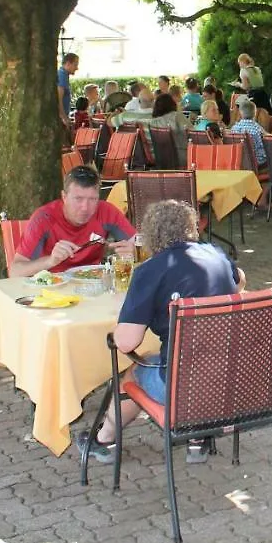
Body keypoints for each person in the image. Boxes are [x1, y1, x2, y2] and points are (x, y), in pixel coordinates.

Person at [74, 199, 239, 465]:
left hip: (186, 390)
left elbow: (127, 343)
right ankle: (196, 437)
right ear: (191, 228)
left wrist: (118, 329)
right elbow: (239, 279)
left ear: (149, 236)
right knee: (170, 359)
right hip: (234, 382)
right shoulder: (216, 254)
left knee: (135, 372)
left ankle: (103, 439)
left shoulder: (151, 271)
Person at [9, 166, 135, 277]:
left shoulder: (106, 211)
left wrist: (136, 251)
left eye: (92, 199)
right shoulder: (44, 218)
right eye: (78, 199)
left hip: (94, 286)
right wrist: (51, 261)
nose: (85, 207)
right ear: (64, 197)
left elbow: (142, 244)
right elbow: (15, 271)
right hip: (53, 288)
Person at [230, 98, 268, 169]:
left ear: (240, 113)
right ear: (255, 113)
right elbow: (266, 145)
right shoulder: (257, 128)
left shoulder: (234, 128)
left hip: (239, 162)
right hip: (256, 163)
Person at [58, 52, 79, 128]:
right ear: (68, 63)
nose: (77, 68)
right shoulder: (62, 76)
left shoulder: (64, 75)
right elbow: (58, 98)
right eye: (75, 64)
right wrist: (64, 118)